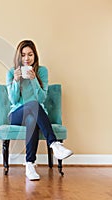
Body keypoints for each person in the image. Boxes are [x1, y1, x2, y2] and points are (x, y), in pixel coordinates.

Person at [6, 40, 73, 181]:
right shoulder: (12, 72)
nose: (26, 58)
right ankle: (54, 144)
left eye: (30, 54)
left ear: (35, 56)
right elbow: (13, 100)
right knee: (33, 105)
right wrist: (16, 81)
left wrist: (34, 79)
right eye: (23, 55)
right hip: (16, 114)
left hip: (36, 113)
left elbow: (42, 98)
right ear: (19, 56)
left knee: (32, 117)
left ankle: (29, 164)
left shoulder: (42, 71)